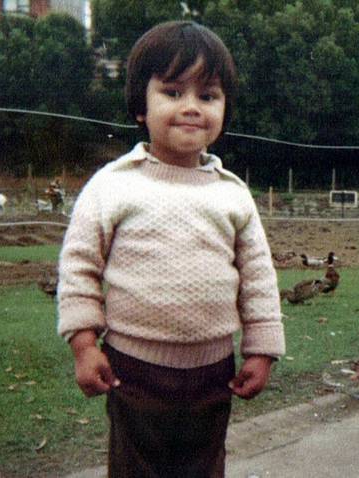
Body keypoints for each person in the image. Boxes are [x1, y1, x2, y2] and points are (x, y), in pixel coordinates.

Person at [56, 21, 285, 477]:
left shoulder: (233, 193)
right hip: (133, 370)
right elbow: (79, 268)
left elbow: (258, 278)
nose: (191, 108)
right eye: (173, 92)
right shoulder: (113, 185)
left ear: (224, 108)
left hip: (213, 371)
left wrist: (261, 351)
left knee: (203, 467)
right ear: (141, 103)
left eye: (208, 95)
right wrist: (84, 345)